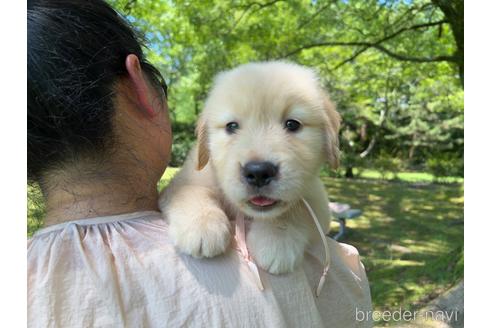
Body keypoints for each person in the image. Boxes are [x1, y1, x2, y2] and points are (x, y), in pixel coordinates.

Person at [27, 0, 372, 327]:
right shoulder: (336, 270)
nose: (258, 161)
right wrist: (197, 206)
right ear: (138, 85)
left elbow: (317, 210)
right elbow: (187, 189)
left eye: (292, 125)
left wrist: (289, 222)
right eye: (232, 127)